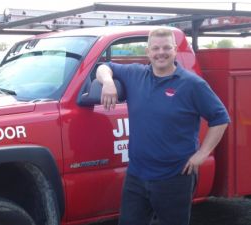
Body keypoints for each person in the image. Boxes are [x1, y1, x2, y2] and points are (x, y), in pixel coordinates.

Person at [96, 28, 230, 225]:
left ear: (175, 50)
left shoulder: (192, 84)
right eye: (156, 48)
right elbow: (103, 67)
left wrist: (202, 154)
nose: (161, 53)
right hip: (137, 175)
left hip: (175, 177)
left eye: (167, 47)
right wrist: (108, 82)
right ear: (148, 51)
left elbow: (220, 118)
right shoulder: (135, 74)